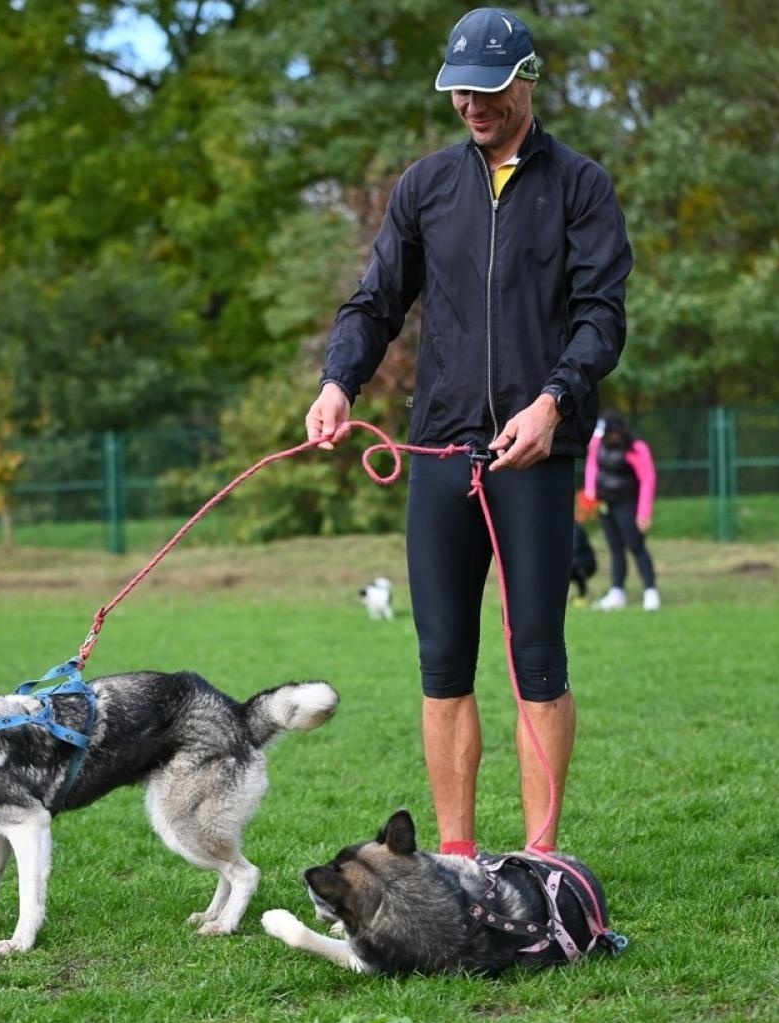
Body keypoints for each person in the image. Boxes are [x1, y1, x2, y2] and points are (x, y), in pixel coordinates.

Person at [304, 7, 632, 856]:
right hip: (444, 456)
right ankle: (455, 857)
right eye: (459, 91)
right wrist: (340, 380)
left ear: (528, 79)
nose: (472, 106)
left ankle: (541, 858)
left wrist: (554, 400)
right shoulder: (425, 188)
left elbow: (601, 318)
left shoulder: (580, 187)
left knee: (537, 659)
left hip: (534, 456)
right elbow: (375, 301)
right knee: (443, 659)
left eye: (488, 90)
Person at [582, 414, 660, 611]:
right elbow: (592, 465)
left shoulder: (636, 448)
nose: (603, 438)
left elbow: (647, 479)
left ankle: (651, 591)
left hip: (628, 503)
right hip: (605, 503)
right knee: (615, 547)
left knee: (636, 545)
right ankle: (617, 592)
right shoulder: (598, 443)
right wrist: (590, 493)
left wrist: (644, 513)